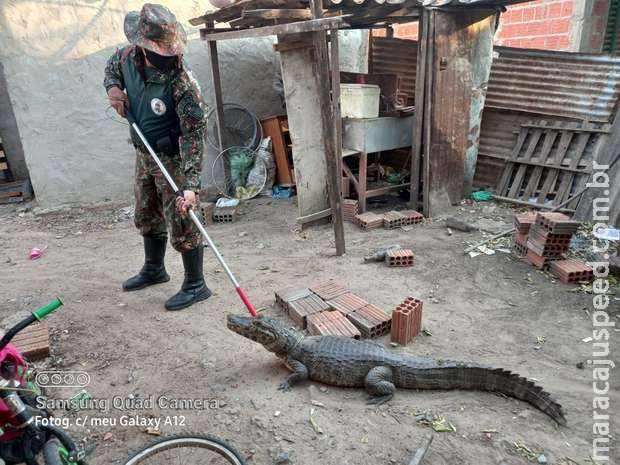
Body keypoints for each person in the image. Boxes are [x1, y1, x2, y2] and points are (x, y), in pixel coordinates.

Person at [103, 3, 210, 311]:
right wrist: (113, 89)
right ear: (143, 45)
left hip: (175, 158)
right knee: (147, 213)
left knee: (183, 218)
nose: (169, 56)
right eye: (161, 50)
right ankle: (154, 269)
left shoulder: (183, 82)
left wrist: (190, 185)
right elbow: (111, 69)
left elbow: (194, 135)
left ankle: (196, 284)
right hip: (144, 153)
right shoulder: (127, 58)